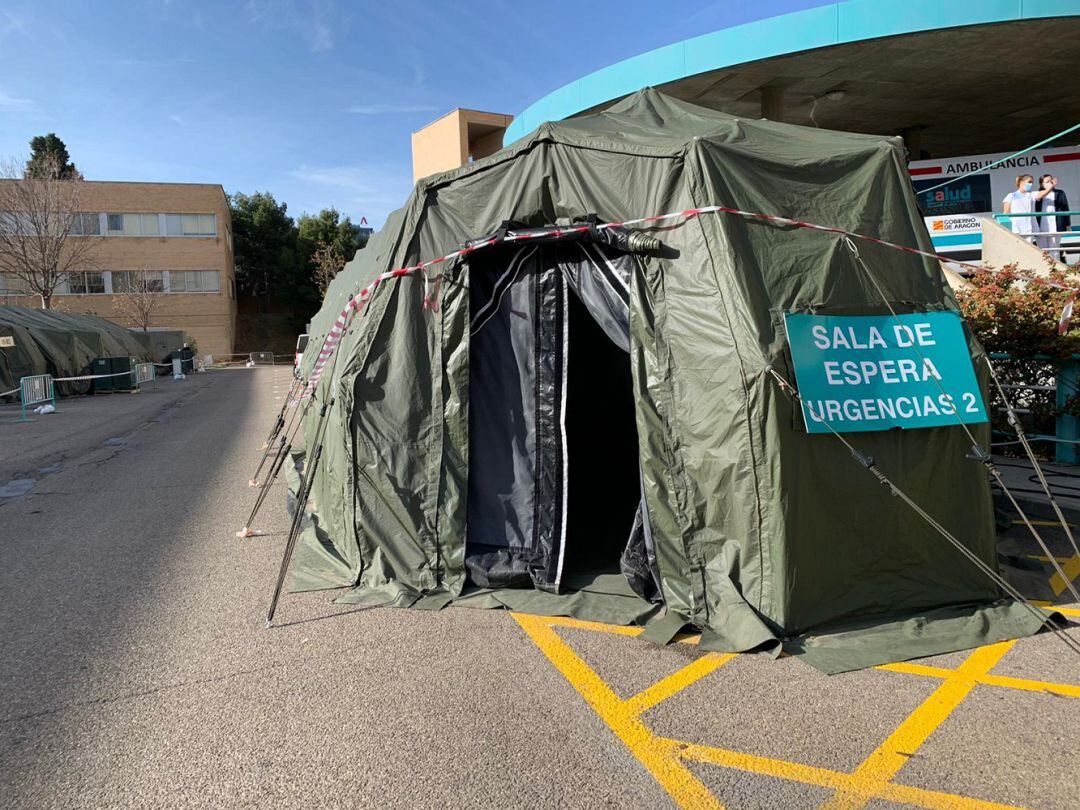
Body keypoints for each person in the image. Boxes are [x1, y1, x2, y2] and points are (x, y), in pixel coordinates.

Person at [1002, 174, 1054, 243]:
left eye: (1032, 182)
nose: (1031, 184)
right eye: (1029, 182)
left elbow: (1042, 193)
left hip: (1029, 229)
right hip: (1016, 228)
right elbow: (1005, 213)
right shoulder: (1011, 196)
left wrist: (1050, 186)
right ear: (1021, 182)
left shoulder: (1031, 195)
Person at [1035, 174, 1071, 259]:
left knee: (1055, 249)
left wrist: (1067, 223)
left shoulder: (1060, 193)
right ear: (1041, 184)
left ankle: (1056, 269)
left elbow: (1065, 208)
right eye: (1047, 182)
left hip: (1056, 224)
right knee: (1042, 250)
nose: (1050, 183)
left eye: (1051, 181)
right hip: (1041, 225)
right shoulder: (1037, 193)